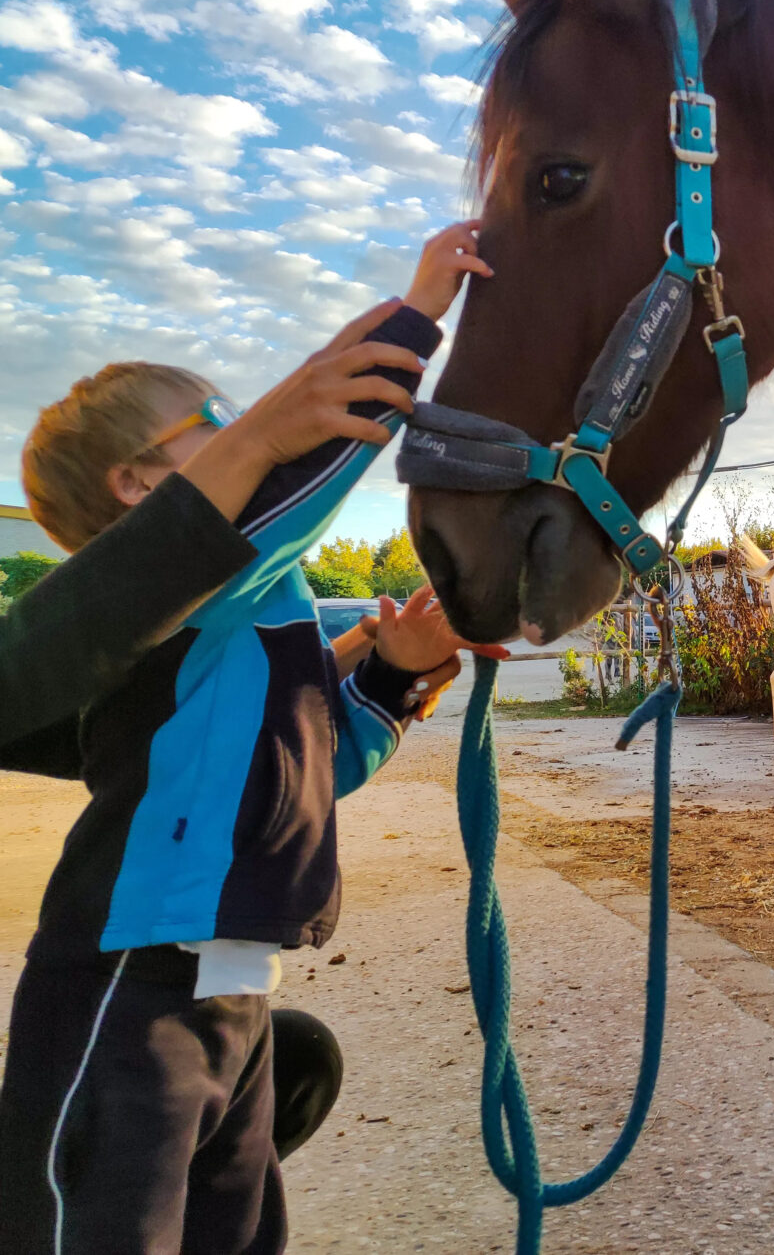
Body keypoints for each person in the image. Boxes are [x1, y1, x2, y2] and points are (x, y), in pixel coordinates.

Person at [0, 222, 495, 1255]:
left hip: (237, 1005)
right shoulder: (183, 590)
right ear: (139, 490)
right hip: (120, 993)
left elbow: (316, 770)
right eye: (215, 425)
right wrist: (415, 319)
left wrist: (398, 677)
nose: (250, 430)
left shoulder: (266, 616)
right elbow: (274, 504)